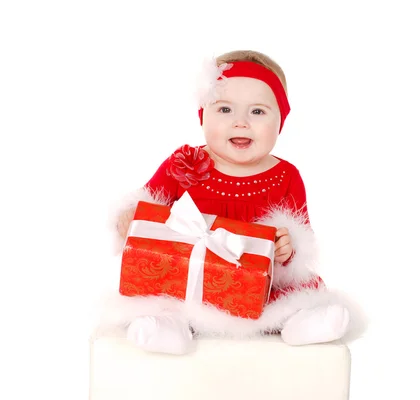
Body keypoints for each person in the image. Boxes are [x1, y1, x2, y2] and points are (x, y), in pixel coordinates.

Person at [100, 50, 365, 355]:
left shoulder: (285, 176)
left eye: (257, 112)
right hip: (191, 277)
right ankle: (165, 329)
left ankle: (301, 324)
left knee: (292, 298)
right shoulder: (184, 163)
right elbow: (147, 208)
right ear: (203, 114)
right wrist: (130, 218)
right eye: (225, 110)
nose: (240, 123)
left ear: (281, 120)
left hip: (258, 285)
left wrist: (287, 249)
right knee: (164, 295)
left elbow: (301, 241)